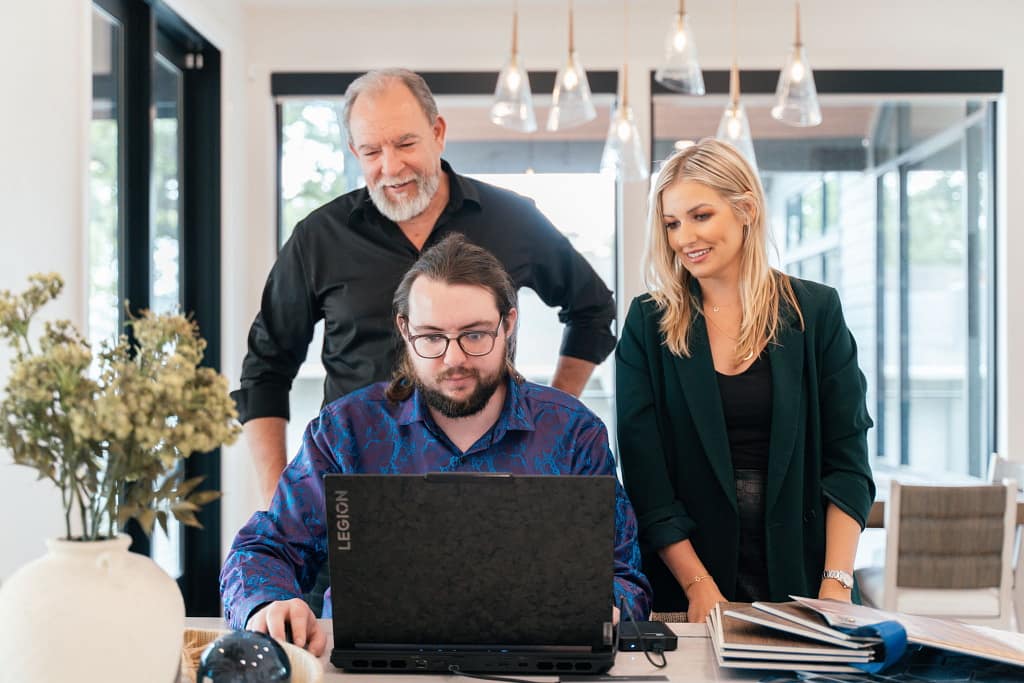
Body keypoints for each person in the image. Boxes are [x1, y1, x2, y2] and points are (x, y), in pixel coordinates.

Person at [221, 235, 652, 655]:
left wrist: (605, 611)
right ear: (404, 330)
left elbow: (624, 577)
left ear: (509, 323)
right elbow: (263, 549)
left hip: (534, 662)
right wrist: (267, 604)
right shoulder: (346, 429)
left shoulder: (573, 432)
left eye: (475, 335)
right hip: (373, 667)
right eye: (431, 337)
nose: (454, 359)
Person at [234, 68, 616, 508]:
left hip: (491, 486)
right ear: (354, 150)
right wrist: (275, 500)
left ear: (438, 132)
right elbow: (266, 367)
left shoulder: (512, 219)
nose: (391, 167)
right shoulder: (318, 237)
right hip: (357, 490)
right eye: (372, 150)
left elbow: (592, 310)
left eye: (405, 143)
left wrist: (551, 414)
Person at [615, 139, 875, 622]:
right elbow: (646, 479)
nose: (683, 237)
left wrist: (836, 584)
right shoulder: (647, 323)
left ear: (746, 210)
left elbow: (848, 463)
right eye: (672, 223)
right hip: (688, 580)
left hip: (807, 578)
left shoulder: (815, 312)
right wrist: (698, 586)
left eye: (700, 216)